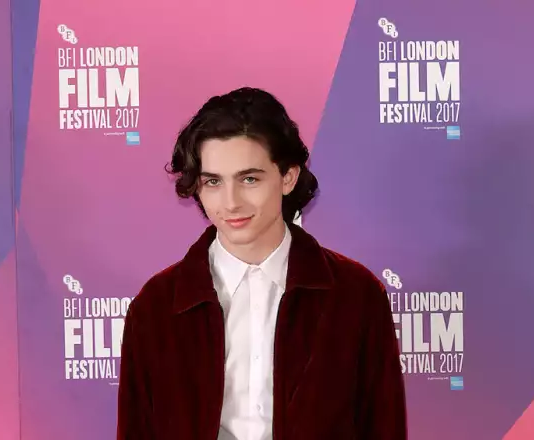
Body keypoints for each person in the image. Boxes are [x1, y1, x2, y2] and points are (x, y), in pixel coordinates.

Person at [116, 87, 407, 439]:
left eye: (249, 179)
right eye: (213, 182)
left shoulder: (355, 295)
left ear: (288, 177)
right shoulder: (157, 306)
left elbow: (383, 425)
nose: (231, 202)